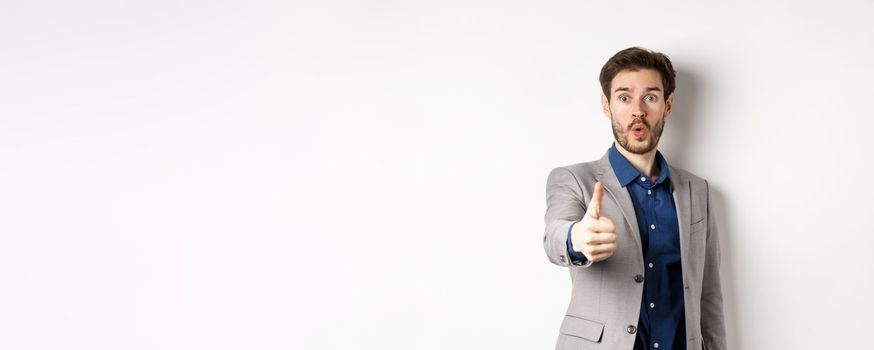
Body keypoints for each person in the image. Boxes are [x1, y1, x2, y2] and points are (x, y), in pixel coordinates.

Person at [543, 47, 726, 350]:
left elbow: (709, 296)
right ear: (607, 105)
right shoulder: (574, 179)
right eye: (624, 98)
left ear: (667, 105)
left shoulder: (698, 191)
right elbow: (554, 235)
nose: (637, 110)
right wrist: (576, 238)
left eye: (650, 98)